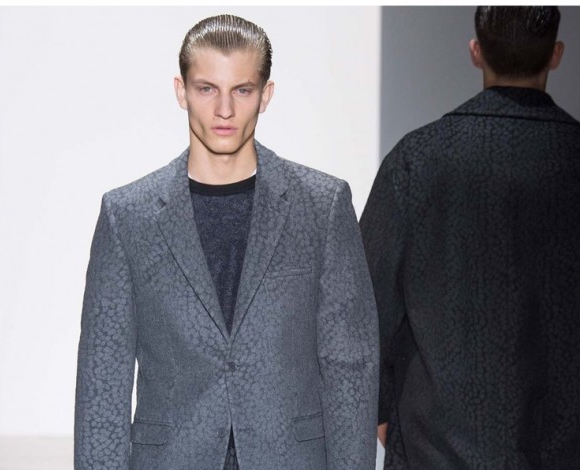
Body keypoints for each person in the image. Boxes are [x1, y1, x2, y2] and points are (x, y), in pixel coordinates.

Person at [74, 14, 379, 470]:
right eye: (206, 89)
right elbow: (103, 377)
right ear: (181, 91)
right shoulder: (128, 216)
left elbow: (349, 364)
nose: (224, 110)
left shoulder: (321, 206)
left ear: (265, 95)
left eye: (242, 90)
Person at [360, 6, 580, 469]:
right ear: (556, 54)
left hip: (434, 449)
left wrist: (380, 413)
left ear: (476, 52)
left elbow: (364, 305)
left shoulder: (416, 160)